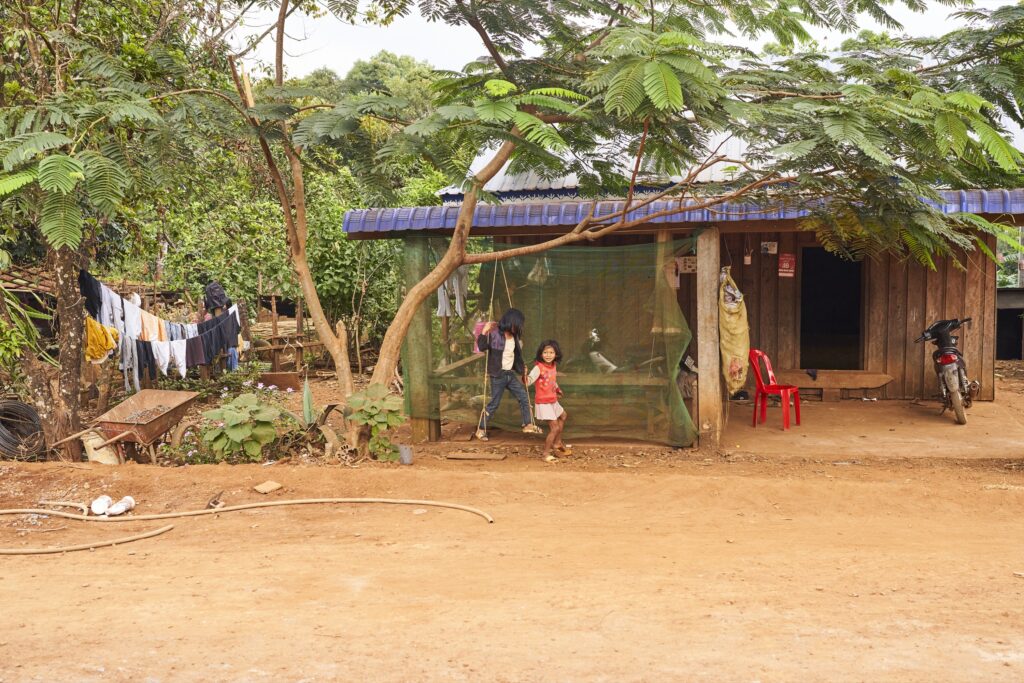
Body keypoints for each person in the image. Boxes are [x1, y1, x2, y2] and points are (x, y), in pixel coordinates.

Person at [476, 308, 543, 440]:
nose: (518, 327)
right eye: (516, 324)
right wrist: (484, 331)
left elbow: (516, 356)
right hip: (497, 375)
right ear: (509, 321)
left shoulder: (516, 337)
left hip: (510, 374)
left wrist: (521, 367)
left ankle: (527, 424)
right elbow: (482, 347)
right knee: (494, 403)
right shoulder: (494, 334)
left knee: (524, 397)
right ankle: (481, 429)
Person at [527, 339, 572, 462]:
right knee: (555, 428)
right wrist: (524, 376)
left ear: (556, 354)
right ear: (541, 354)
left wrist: (557, 389)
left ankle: (557, 443)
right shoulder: (538, 368)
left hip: (552, 399)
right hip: (543, 402)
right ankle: (546, 454)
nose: (548, 355)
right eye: (545, 352)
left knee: (563, 415)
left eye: (551, 352)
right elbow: (528, 381)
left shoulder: (553, 366)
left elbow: (552, 379)